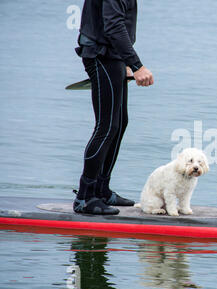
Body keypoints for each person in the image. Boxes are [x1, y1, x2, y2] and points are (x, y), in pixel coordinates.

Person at [73, 0, 153, 215]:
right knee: (106, 126)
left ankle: (101, 188)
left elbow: (117, 23)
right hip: (100, 55)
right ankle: (85, 197)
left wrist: (125, 62)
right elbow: (113, 25)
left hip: (113, 56)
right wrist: (136, 65)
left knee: (120, 122)